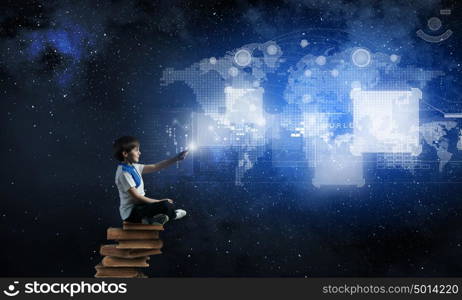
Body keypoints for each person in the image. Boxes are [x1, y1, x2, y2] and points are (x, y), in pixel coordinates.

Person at [113, 136, 188, 225]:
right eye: (136, 150)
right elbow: (138, 197)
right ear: (125, 153)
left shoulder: (135, 167)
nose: (139, 153)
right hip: (131, 213)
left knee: (165, 205)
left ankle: (151, 220)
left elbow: (156, 167)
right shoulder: (123, 173)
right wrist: (160, 202)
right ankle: (173, 215)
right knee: (165, 205)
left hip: (141, 206)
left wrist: (176, 158)